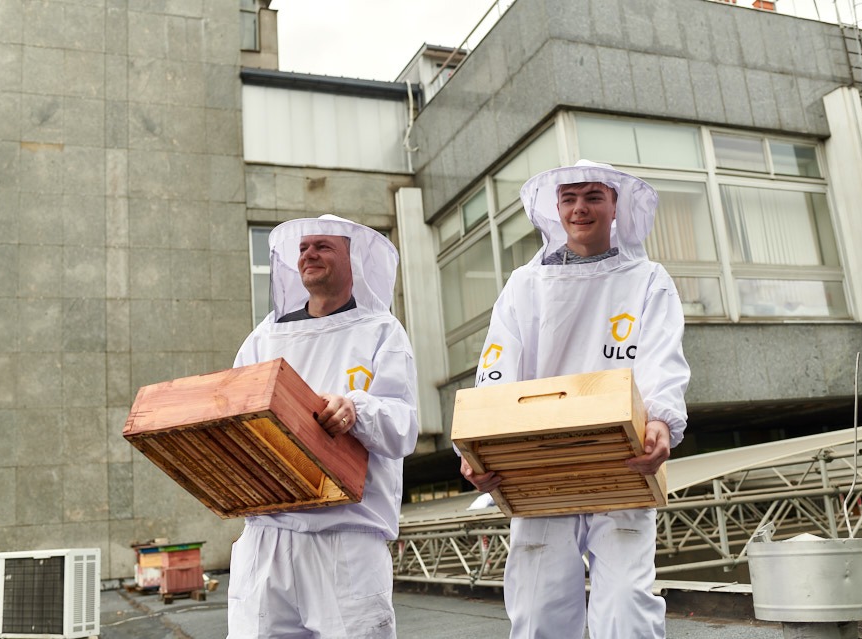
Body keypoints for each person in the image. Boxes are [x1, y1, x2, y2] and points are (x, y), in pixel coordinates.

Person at [460, 160, 690, 639]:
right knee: (539, 611)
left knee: (627, 605)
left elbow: (662, 359)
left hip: (622, 465)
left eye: (592, 197)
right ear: (556, 209)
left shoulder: (647, 279)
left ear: (615, 206)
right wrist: (477, 447)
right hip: (538, 469)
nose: (580, 208)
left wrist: (661, 422)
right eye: (569, 199)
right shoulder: (526, 285)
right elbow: (497, 368)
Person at [227, 215, 419, 639]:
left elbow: (403, 427)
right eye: (303, 248)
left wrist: (356, 410)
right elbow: (236, 407)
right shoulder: (264, 337)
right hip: (266, 538)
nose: (309, 255)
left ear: (353, 259)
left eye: (322, 246)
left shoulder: (380, 330)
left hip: (346, 537)